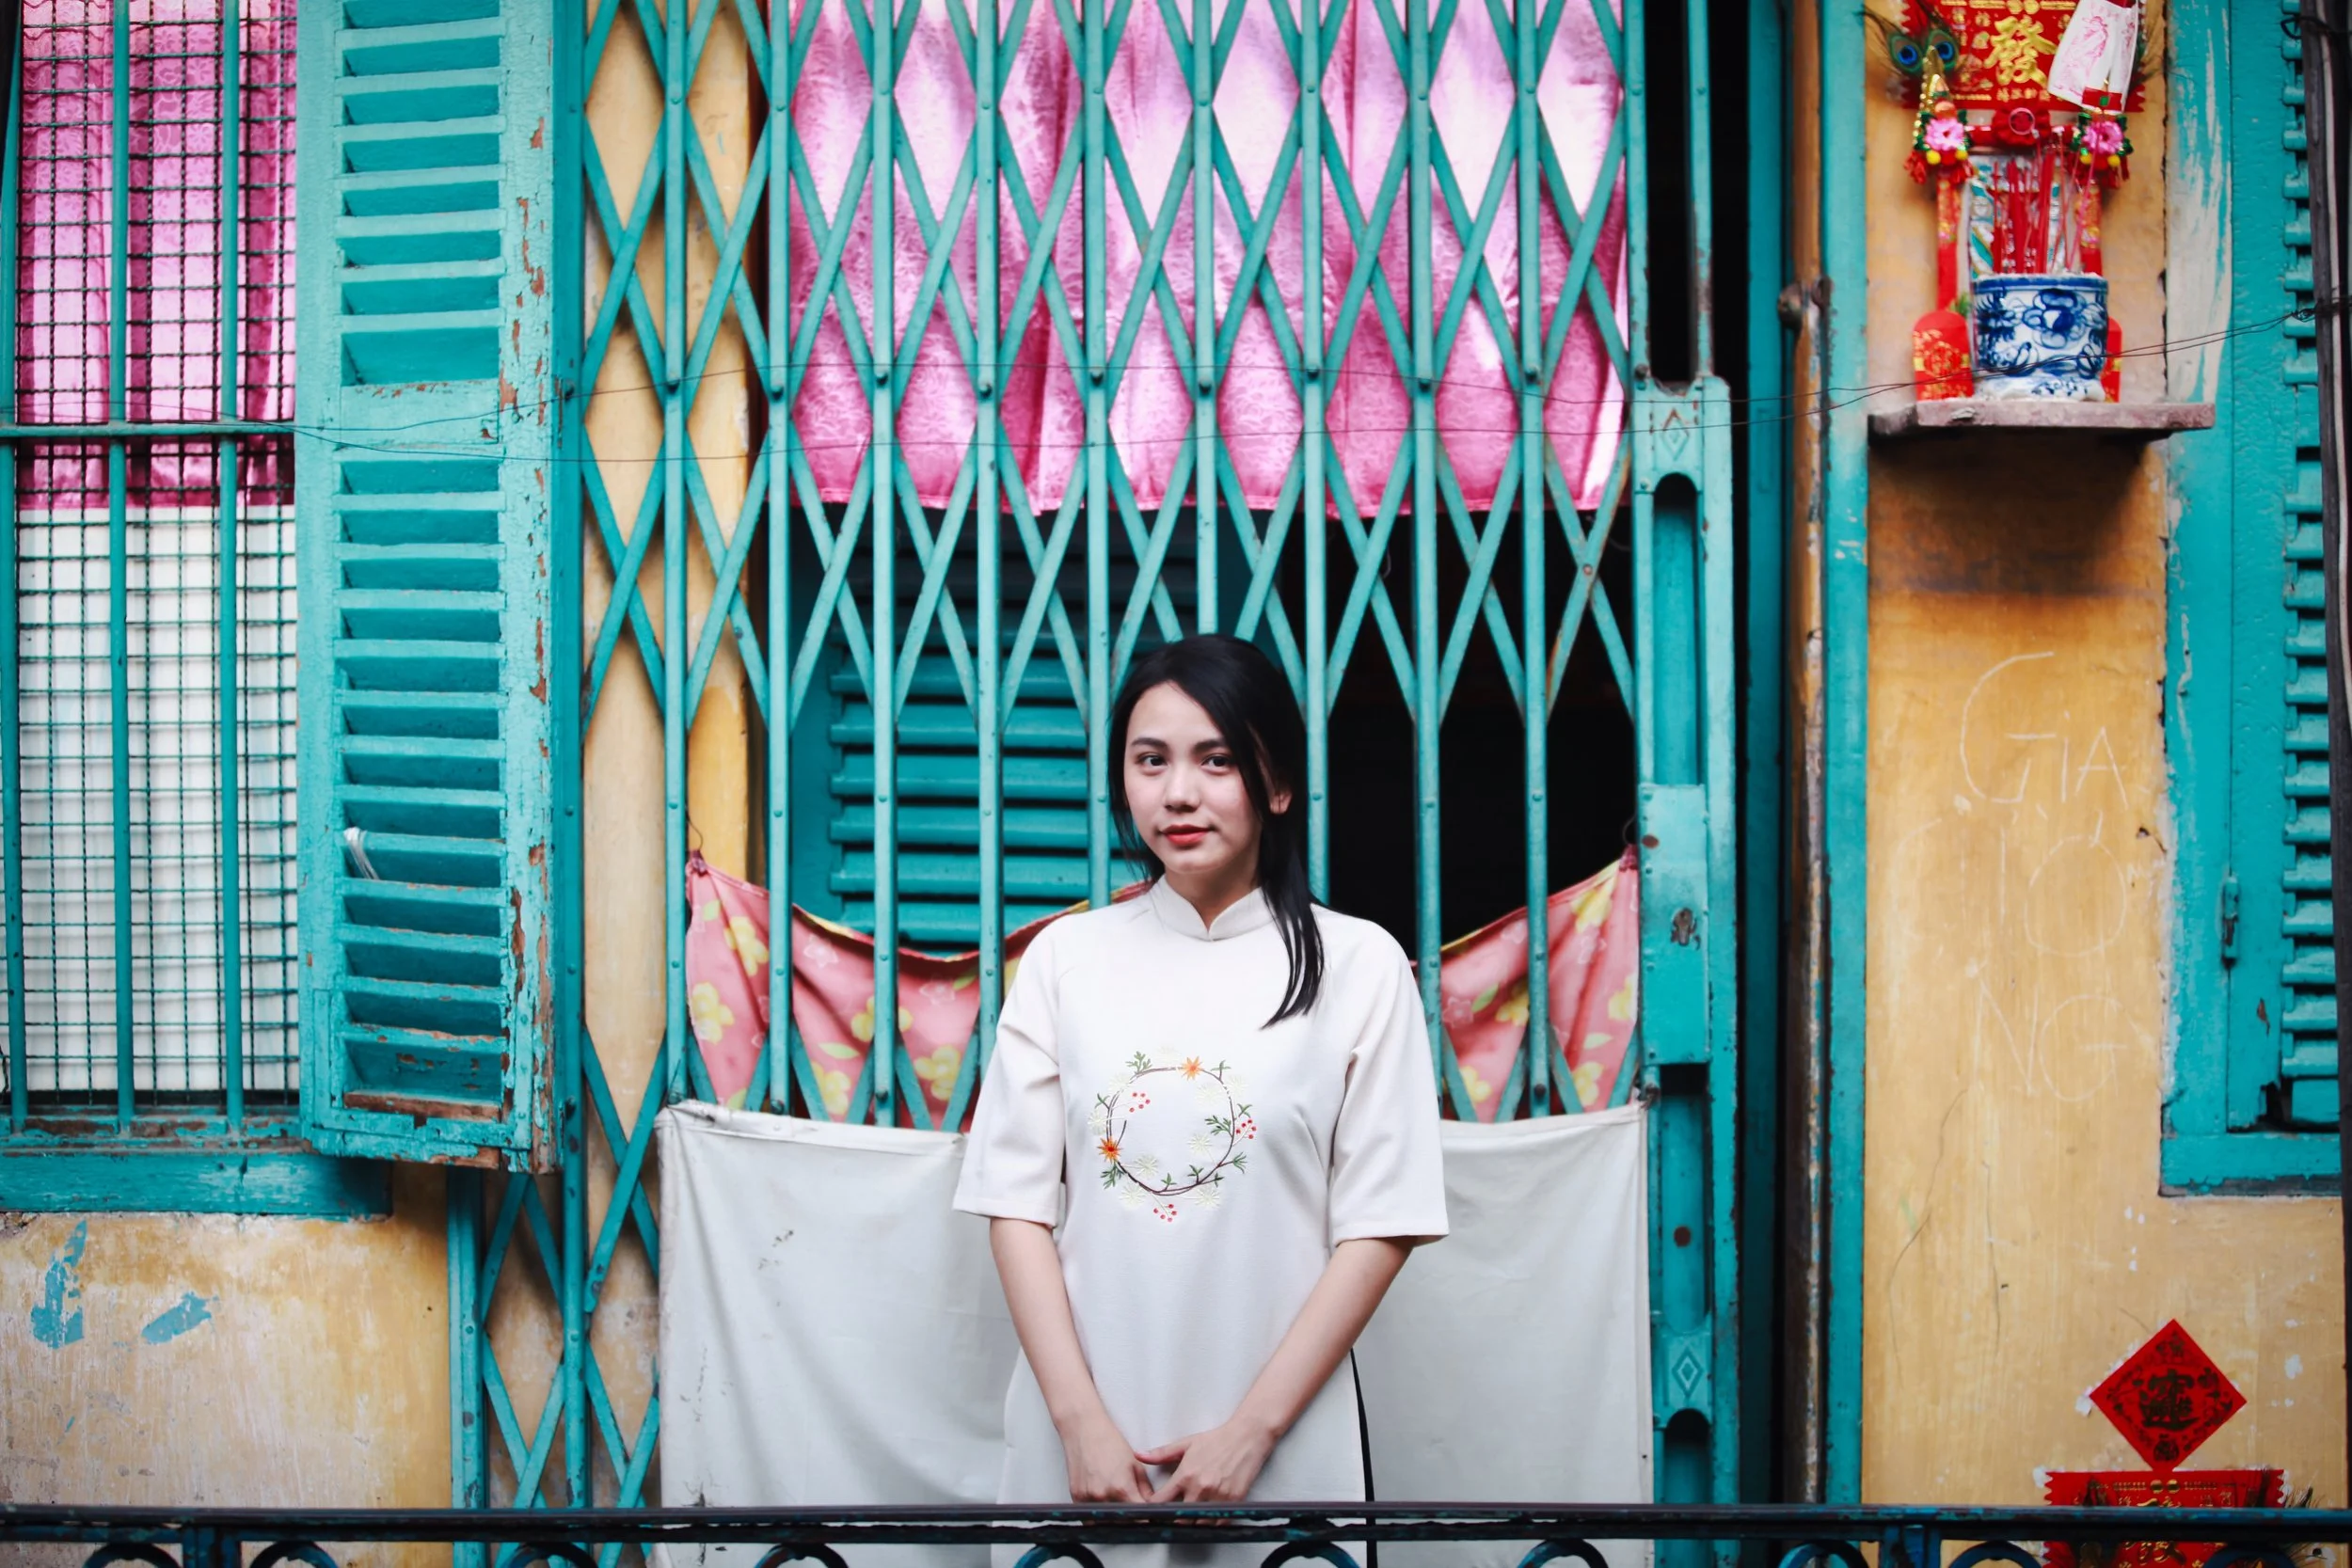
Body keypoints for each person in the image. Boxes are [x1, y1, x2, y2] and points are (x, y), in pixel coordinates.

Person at [952, 634, 1449, 1557]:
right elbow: (1014, 1205)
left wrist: (1252, 1431)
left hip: (1282, 1441)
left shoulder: (1360, 964)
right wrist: (1079, 1423)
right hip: (1081, 1444)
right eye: (1151, 761)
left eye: (1215, 759)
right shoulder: (1066, 958)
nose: (1177, 793)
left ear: (1279, 783)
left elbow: (1382, 1223)